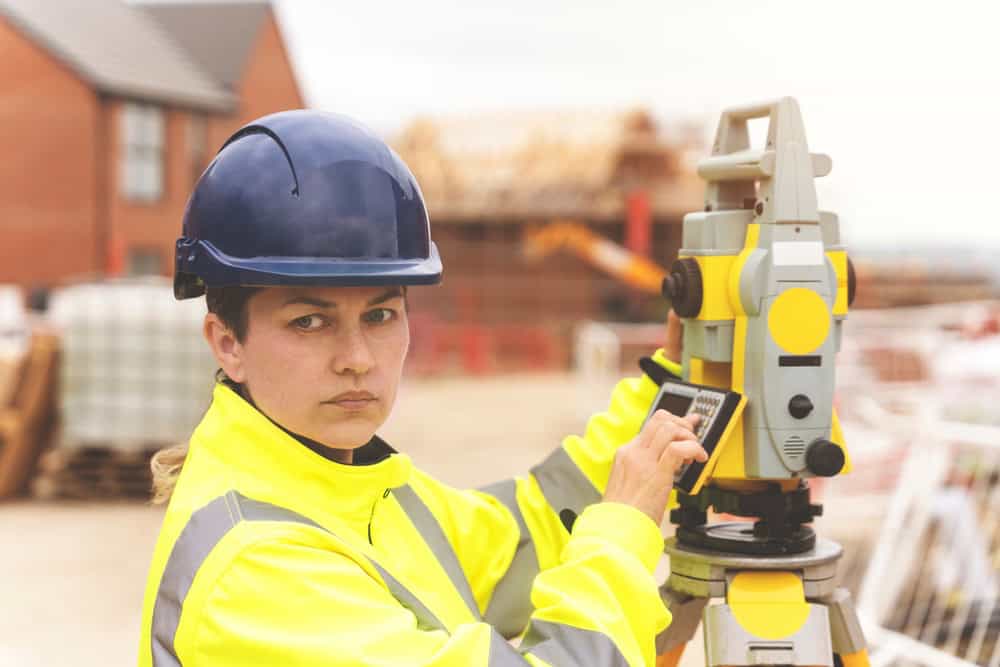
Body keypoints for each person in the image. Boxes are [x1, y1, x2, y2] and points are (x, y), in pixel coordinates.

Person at [137, 110, 705, 667]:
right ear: (227, 342)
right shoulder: (253, 568)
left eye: (380, 316)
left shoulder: (354, 485)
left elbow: (528, 535)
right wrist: (621, 536)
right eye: (309, 322)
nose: (357, 359)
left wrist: (669, 383)